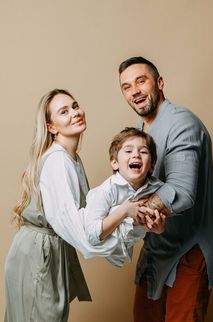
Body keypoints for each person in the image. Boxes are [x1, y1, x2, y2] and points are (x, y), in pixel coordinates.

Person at [4, 89, 152, 322]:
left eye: (75, 106)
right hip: (37, 253)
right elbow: (83, 233)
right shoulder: (58, 161)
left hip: (50, 248)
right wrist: (125, 213)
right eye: (64, 112)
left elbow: (87, 219)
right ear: (52, 127)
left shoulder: (72, 158)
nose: (75, 113)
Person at [118, 56, 213, 322]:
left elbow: (182, 190)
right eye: (126, 86)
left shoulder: (182, 124)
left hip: (189, 248)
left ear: (159, 82)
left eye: (141, 81)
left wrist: (131, 213)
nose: (135, 90)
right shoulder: (138, 134)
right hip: (155, 248)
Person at [84, 127, 166, 267]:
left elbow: (154, 224)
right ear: (115, 163)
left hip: (123, 248)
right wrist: (124, 211)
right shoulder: (106, 190)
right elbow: (91, 236)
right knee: (116, 210)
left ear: (151, 166)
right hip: (97, 243)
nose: (136, 155)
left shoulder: (157, 189)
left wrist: (159, 229)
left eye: (143, 151)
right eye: (128, 151)